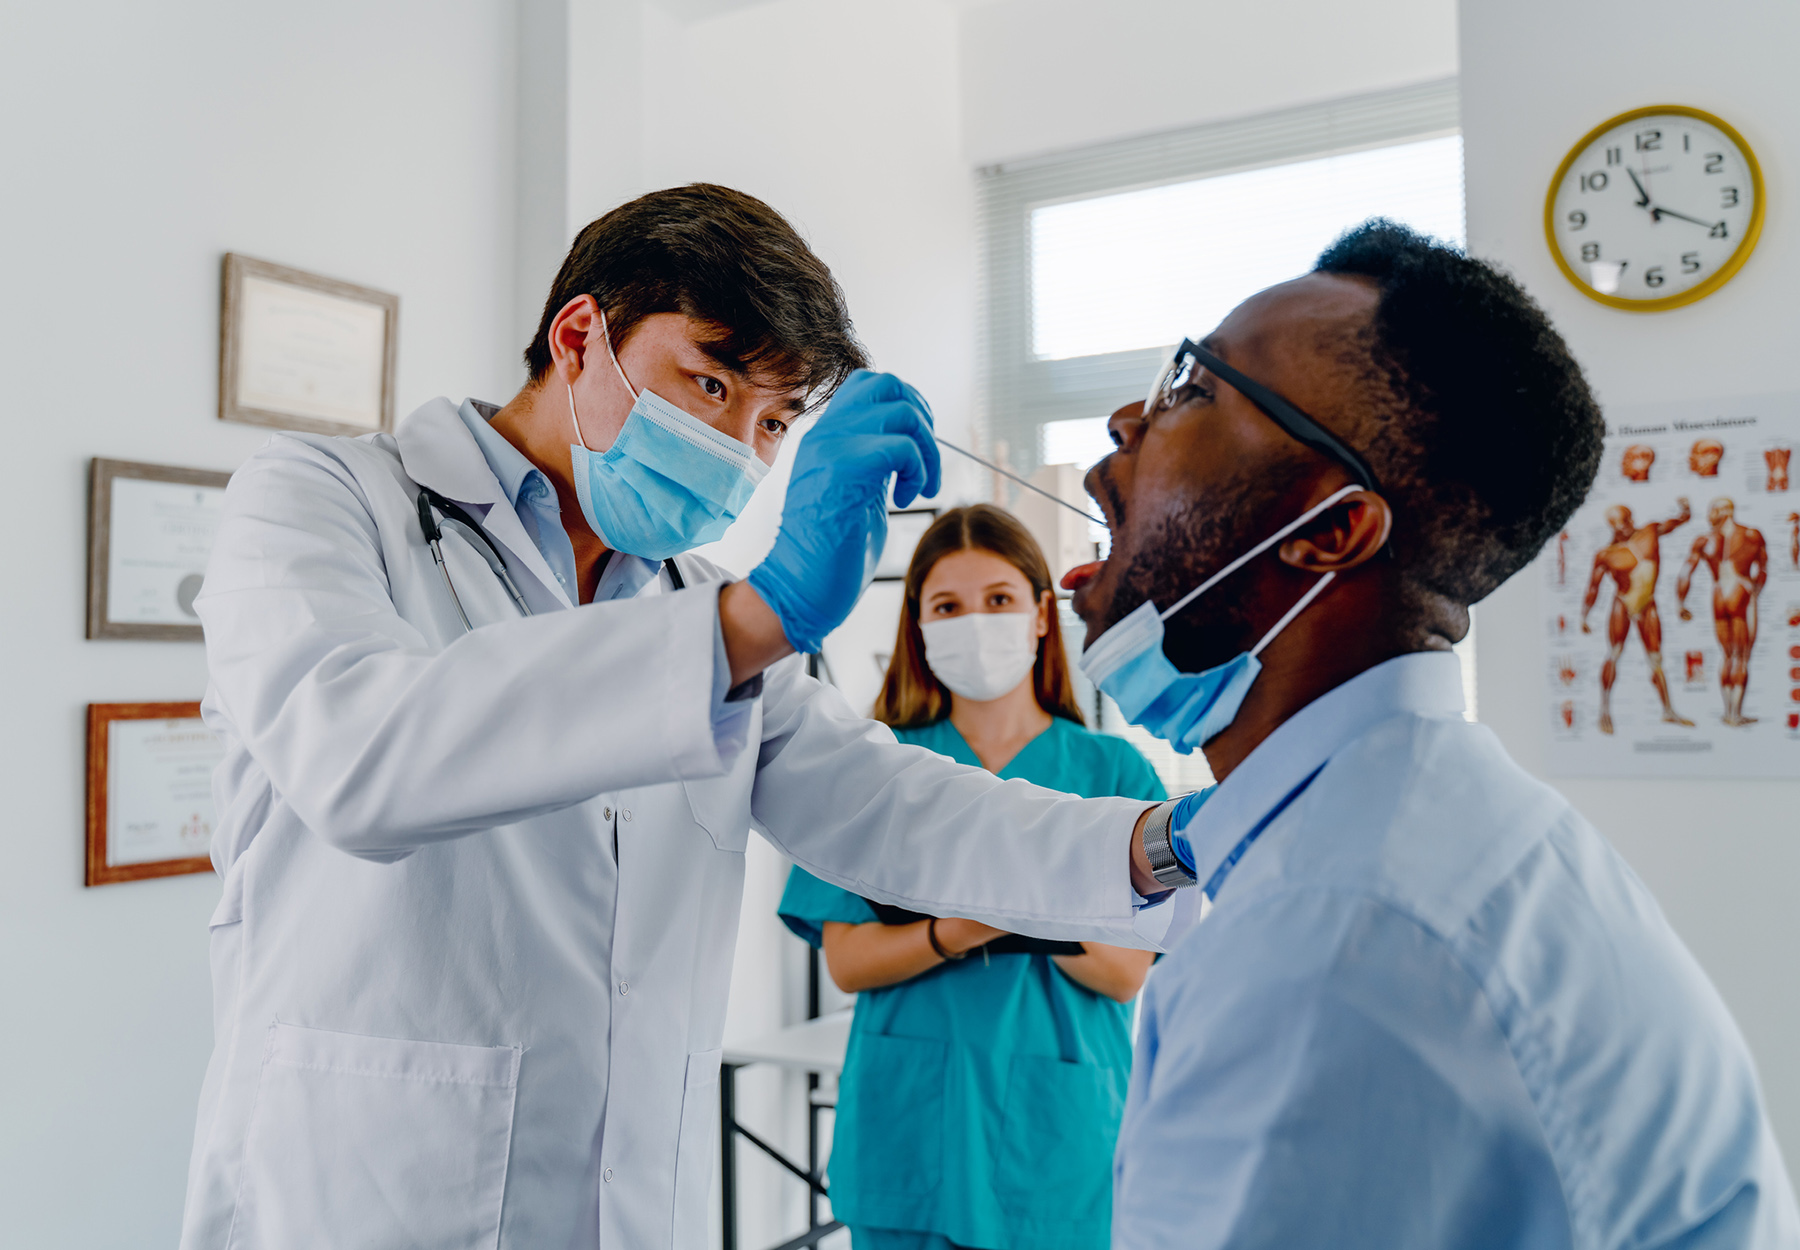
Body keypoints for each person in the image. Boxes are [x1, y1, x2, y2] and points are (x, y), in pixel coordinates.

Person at [180, 185, 1186, 1250]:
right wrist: (751, 618)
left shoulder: (687, 599)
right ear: (579, 336)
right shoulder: (322, 501)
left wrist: (1160, 844)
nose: (738, 451)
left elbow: (894, 807)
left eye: (771, 422)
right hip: (359, 1198)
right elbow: (359, 755)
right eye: (709, 382)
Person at [1063, 220, 1798, 1246]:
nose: (1126, 418)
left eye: (1195, 388)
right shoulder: (1435, 832)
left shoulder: (1334, 933)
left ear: (1329, 531)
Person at [778, 505, 1165, 1250]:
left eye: (998, 600)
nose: (975, 622)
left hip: (1054, 1138)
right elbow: (851, 961)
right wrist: (982, 919)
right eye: (947, 607)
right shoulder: (874, 764)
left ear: (1042, 617)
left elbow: (1123, 972)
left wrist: (961, 913)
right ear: (919, 626)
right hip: (910, 1129)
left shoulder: (1112, 773)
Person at [1581, 499, 1695, 733]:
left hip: (1646, 603)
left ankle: (1668, 710)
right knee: (1613, 653)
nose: (1620, 527)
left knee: (1656, 658)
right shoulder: (1606, 554)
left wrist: (1685, 511)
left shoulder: (1650, 533)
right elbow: (1593, 586)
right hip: (1622, 603)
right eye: (1614, 524)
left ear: (1631, 518)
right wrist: (1585, 615)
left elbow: (1675, 523)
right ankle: (1604, 710)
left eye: (1623, 521)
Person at [1678, 497, 1768, 726]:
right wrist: (1755, 589)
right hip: (1740, 589)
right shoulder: (1750, 534)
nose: (1710, 516)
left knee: (1727, 656)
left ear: (1726, 512)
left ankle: (1728, 712)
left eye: (1713, 511)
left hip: (1718, 593)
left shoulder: (1704, 540)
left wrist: (1681, 603)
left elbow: (1686, 573)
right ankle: (1734, 714)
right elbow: (1763, 568)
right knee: (1742, 656)